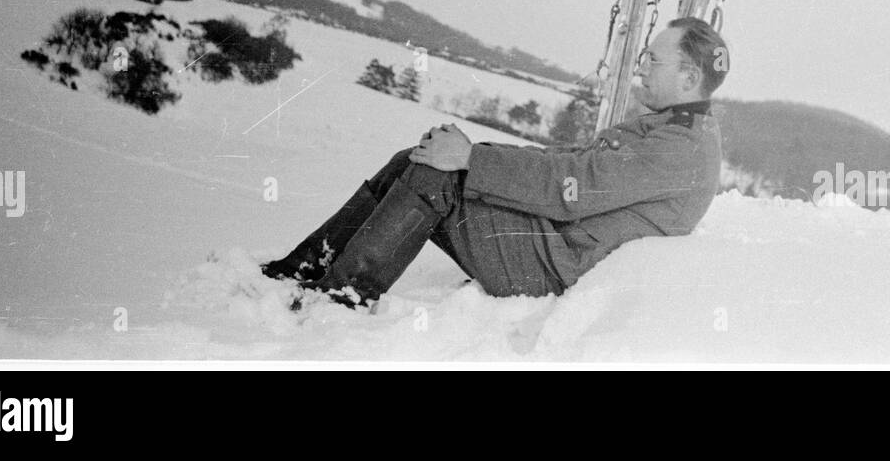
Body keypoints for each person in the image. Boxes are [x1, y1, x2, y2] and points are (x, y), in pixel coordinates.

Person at [261, 17, 728, 309]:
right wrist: (472, 153)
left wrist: (468, 161)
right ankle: (305, 267)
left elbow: (572, 187)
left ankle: (340, 297)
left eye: (653, 59)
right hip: (550, 244)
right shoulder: (669, 128)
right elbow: (565, 160)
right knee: (418, 159)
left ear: (688, 76)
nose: (642, 66)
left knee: (434, 175)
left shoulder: (679, 146)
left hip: (557, 266)